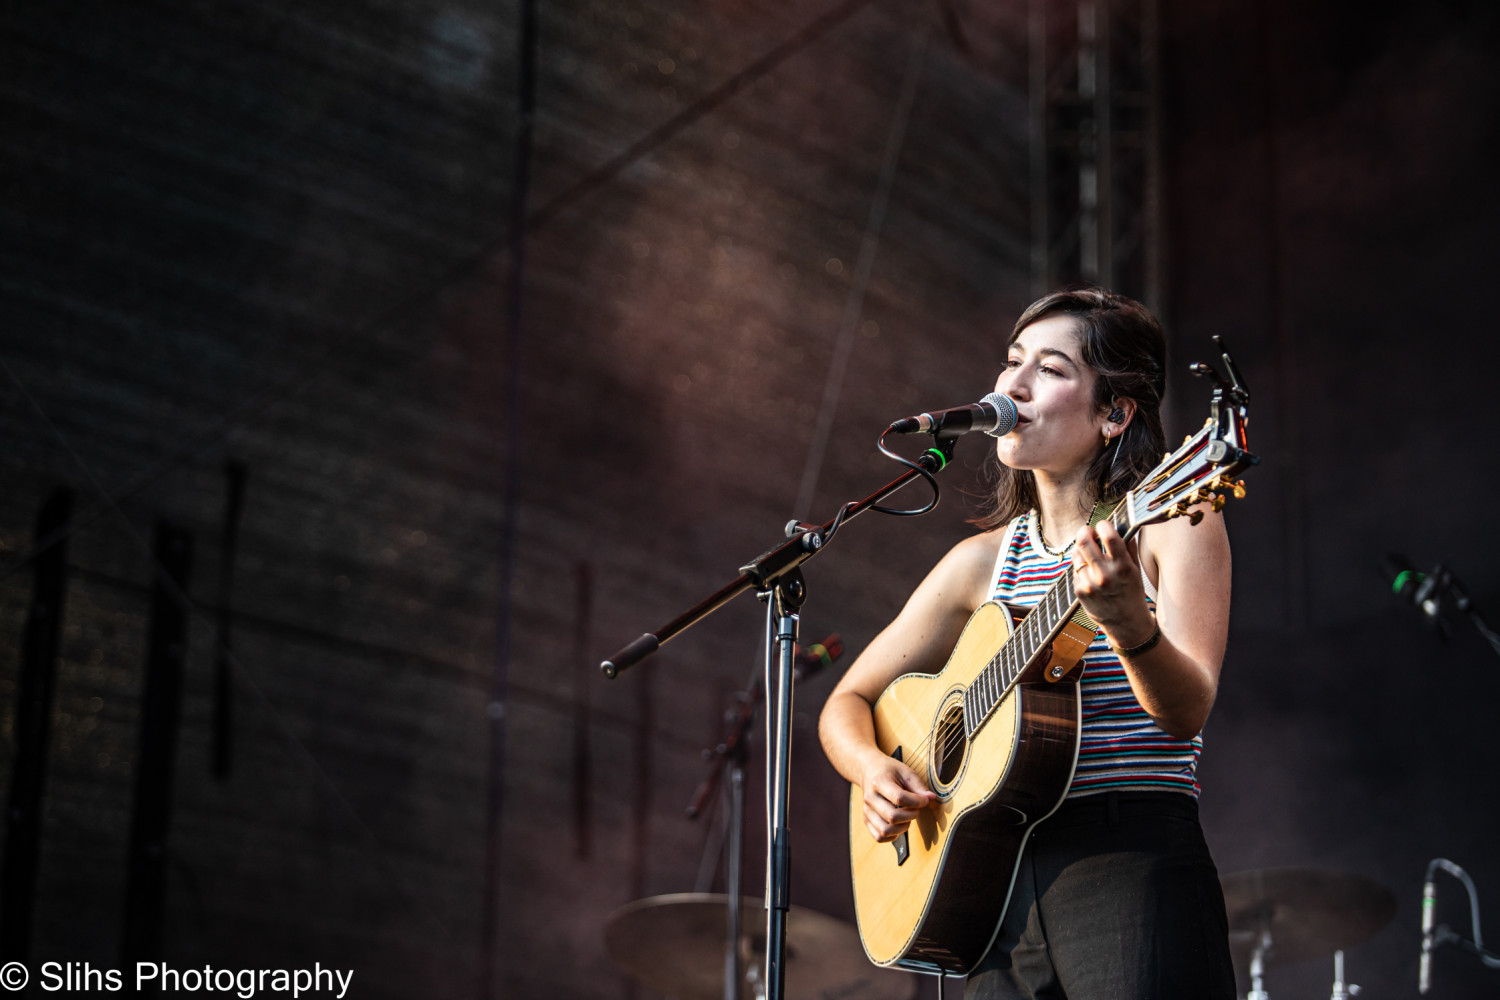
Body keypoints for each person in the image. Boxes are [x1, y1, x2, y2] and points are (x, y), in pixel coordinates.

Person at [818, 288, 1237, 999]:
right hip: (992, 881)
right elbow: (847, 700)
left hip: (1128, 860)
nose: (1010, 387)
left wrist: (1131, 625)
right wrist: (871, 770)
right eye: (1012, 363)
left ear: (1116, 413)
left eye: (1048, 369)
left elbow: (1187, 710)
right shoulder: (980, 564)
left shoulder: (1172, 523)